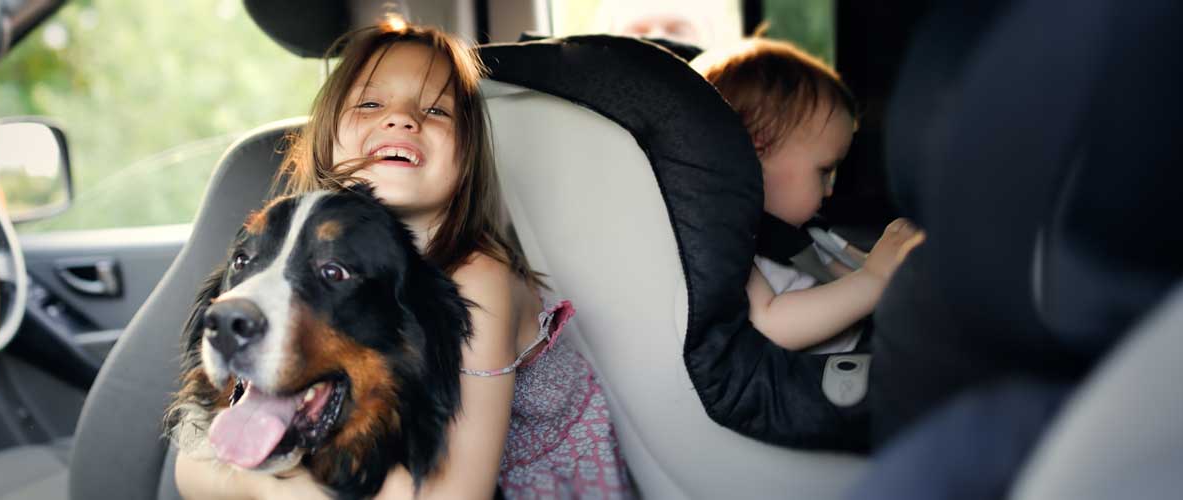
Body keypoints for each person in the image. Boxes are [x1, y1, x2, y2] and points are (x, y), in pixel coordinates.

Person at [174, 17, 630, 499]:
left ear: (468, 157)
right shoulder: (294, 243)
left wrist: (271, 488)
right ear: (326, 136)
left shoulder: (479, 281)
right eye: (370, 103)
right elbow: (192, 462)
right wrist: (257, 479)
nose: (401, 118)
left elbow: (454, 494)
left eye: (436, 111)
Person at [691, 39, 926, 353]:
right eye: (824, 170)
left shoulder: (803, 234)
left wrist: (896, 265)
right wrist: (873, 280)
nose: (830, 189)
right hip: (811, 385)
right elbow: (768, 324)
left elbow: (853, 270)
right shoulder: (730, 247)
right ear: (752, 155)